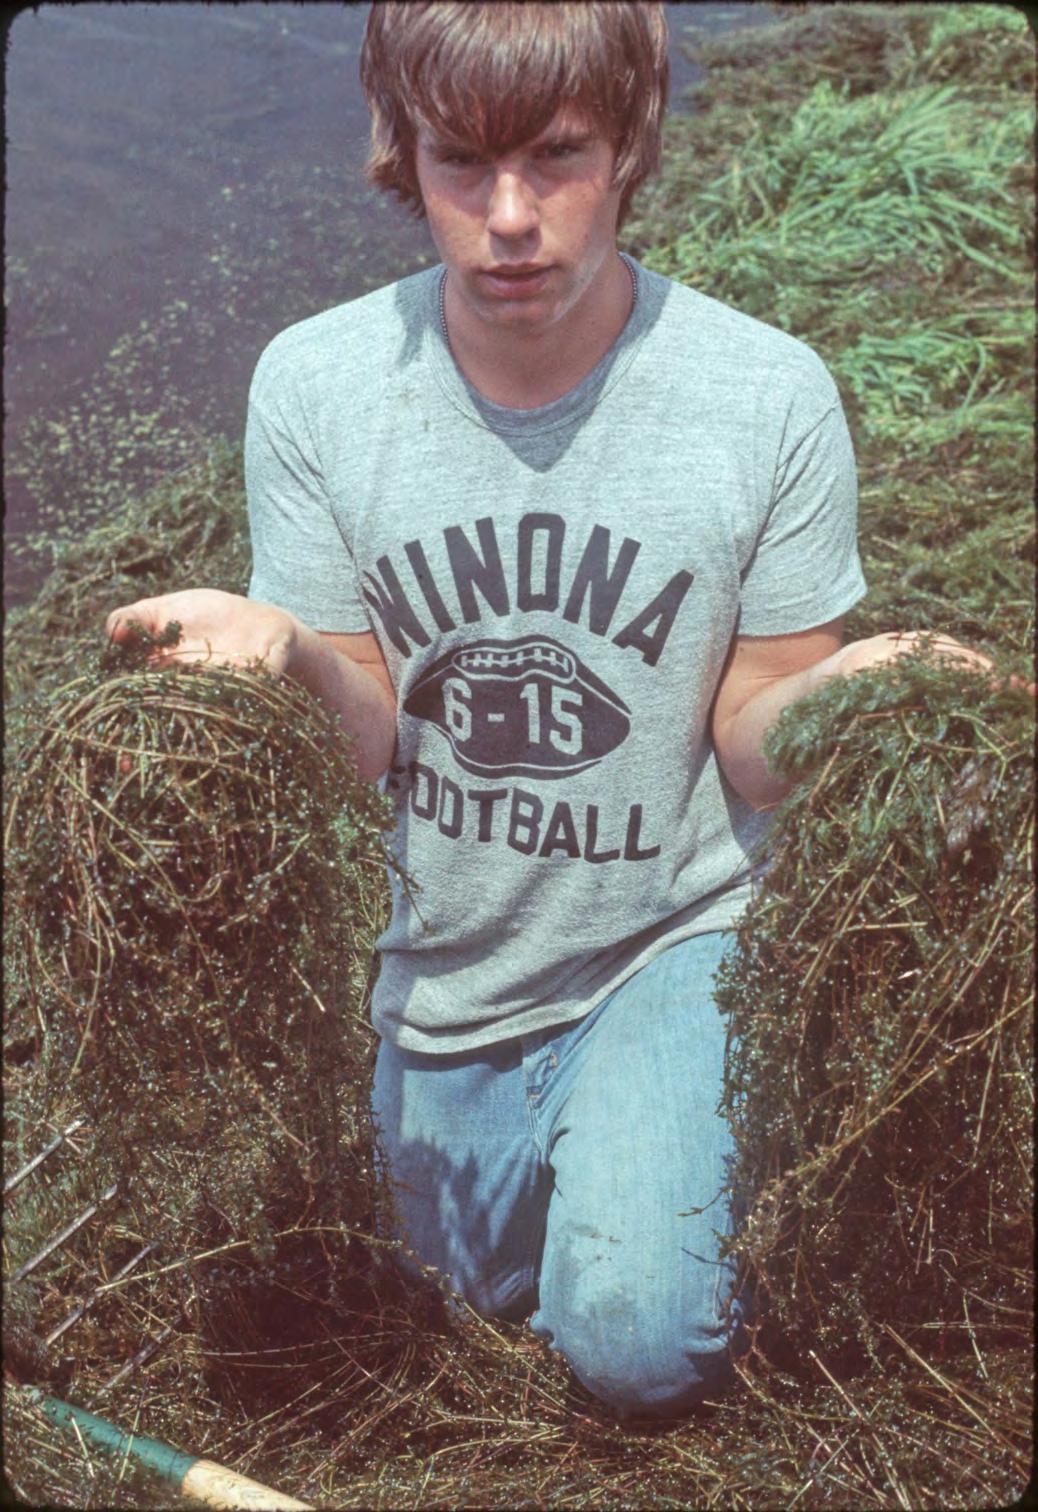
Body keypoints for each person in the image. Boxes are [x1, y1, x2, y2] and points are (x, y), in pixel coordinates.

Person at [105, 1, 1006, 1420]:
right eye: (462, 162)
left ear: (629, 141)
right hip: (442, 956)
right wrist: (285, 657)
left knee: (637, 1342)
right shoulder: (318, 385)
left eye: (558, 156)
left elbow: (750, 748)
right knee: (423, 1287)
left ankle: (698, 1104)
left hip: (668, 933)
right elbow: (365, 744)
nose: (510, 219)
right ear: (402, 151)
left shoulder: (766, 397)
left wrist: (851, 693)